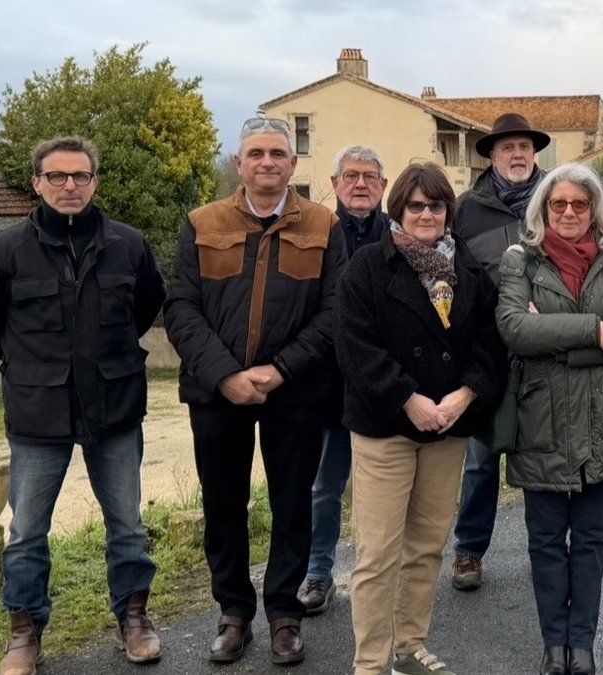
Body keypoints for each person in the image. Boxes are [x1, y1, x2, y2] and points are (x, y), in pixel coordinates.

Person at [0, 136, 166, 674]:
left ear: (95, 182)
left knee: (127, 525)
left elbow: (146, 306)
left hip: (114, 406)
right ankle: (24, 632)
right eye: (57, 176)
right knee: (27, 532)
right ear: (38, 183)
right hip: (37, 413)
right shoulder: (4, 252)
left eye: (80, 176)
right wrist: (28, 364)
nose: (69, 185)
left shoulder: (129, 245)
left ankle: (134, 618)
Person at [162, 117, 344, 666]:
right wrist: (225, 374)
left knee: (293, 503)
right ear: (239, 164)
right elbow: (181, 308)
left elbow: (335, 311)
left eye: (277, 153)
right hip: (217, 392)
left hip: (296, 390)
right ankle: (234, 614)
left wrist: (282, 369)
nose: (267, 162)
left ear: (293, 164)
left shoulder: (324, 224)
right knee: (223, 504)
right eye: (256, 153)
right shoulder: (201, 223)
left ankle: (285, 615)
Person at [336, 162, 506, 675]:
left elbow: (490, 344)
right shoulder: (368, 266)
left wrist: (466, 395)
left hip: (447, 428)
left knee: (428, 547)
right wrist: (407, 397)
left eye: (435, 205)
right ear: (399, 210)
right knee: (378, 553)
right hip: (386, 427)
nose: (426, 214)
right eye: (416, 206)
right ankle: (370, 663)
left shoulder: (467, 268)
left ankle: (409, 647)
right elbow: (354, 346)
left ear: (448, 211)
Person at [496, 162, 603, 675]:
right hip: (542, 418)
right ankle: (553, 644)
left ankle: (581, 643)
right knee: (545, 540)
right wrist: (594, 330)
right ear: (544, 208)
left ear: (594, 209)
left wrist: (556, 335)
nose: (568, 212)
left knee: (590, 538)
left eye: (579, 204)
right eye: (558, 203)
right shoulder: (521, 260)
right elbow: (514, 329)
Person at [448, 112, 551, 592]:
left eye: (524, 146)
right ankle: (469, 549)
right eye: (507, 147)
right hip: (488, 350)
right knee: (481, 457)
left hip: (546, 347)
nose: (517, 154)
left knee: (541, 456)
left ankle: (544, 550)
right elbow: (456, 280)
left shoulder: (558, 197)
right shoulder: (466, 209)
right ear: (491, 155)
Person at [298, 145, 391, 616]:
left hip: (385, 385)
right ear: (334, 183)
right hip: (329, 385)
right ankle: (318, 571)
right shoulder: (314, 232)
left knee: (388, 492)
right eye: (351, 175)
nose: (360, 184)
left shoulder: (399, 234)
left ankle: (386, 574)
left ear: (383, 186)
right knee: (325, 487)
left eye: (370, 176)